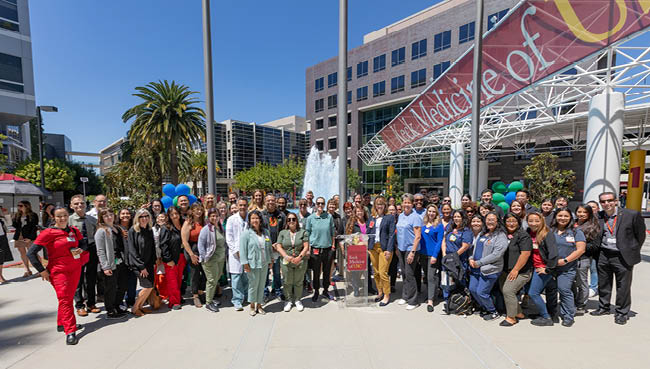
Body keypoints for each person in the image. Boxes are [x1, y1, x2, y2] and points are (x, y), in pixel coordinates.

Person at [27, 206, 86, 345]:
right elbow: (31, 253)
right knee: (65, 299)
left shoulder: (73, 230)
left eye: (65, 215)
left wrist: (80, 249)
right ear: (54, 217)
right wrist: (41, 270)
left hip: (75, 269)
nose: (63, 218)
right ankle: (70, 330)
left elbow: (83, 243)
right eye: (59, 216)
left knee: (67, 298)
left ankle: (62, 324)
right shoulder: (48, 232)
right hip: (58, 271)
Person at [591, 191, 646, 325]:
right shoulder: (598, 216)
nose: (606, 204)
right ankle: (604, 307)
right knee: (603, 283)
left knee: (623, 286)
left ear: (616, 201)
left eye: (609, 200)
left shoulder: (631, 214)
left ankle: (622, 312)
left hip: (622, 255)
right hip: (604, 254)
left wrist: (632, 250)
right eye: (603, 202)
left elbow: (640, 235)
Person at [549, 208, 586, 327]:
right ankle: (551, 312)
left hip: (567, 268)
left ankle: (568, 315)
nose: (562, 218)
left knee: (564, 290)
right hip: (551, 267)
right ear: (555, 217)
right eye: (560, 215)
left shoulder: (576, 232)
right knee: (551, 291)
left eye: (566, 216)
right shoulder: (550, 230)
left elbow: (581, 250)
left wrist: (565, 261)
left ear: (570, 217)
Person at [468, 212, 508, 321]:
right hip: (475, 267)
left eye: (492, 220)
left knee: (482, 292)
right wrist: (471, 258)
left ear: (497, 221)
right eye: (488, 219)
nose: (490, 222)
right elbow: (474, 247)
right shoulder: (482, 233)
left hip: (489, 269)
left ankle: (493, 311)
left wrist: (479, 262)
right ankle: (484, 307)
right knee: (473, 289)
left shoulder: (500, 236)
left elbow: (496, 255)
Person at [68, 195, 99, 317]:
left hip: (91, 249)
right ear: (71, 206)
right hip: (76, 251)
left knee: (91, 278)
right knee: (77, 279)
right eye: (76, 204)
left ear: (85, 205)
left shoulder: (92, 219)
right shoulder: (69, 220)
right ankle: (80, 305)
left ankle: (91, 303)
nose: (79, 206)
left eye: (81, 203)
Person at [499, 213, 533, 326]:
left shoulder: (523, 235)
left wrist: (516, 270)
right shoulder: (503, 234)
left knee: (508, 291)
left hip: (521, 272)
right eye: (508, 221)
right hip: (505, 270)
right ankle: (518, 312)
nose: (511, 223)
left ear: (518, 222)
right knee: (506, 291)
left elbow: (525, 254)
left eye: (514, 221)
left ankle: (511, 318)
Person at [526, 212, 559, 326]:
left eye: (536, 220)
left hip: (542, 268)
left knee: (533, 293)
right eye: (531, 221)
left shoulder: (547, 234)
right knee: (549, 292)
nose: (533, 223)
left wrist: (548, 269)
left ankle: (546, 317)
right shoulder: (528, 233)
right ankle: (545, 313)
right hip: (534, 267)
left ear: (542, 221)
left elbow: (553, 253)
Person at [94, 208, 128, 319]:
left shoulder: (118, 228)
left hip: (121, 261)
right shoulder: (101, 231)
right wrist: (105, 266)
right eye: (105, 216)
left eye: (110, 214)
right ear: (101, 218)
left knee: (122, 286)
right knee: (111, 288)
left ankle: (117, 306)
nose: (109, 217)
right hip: (110, 263)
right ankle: (110, 310)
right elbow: (100, 250)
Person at [275, 212, 310, 312]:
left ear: (297, 221)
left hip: (300, 260)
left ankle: (298, 300)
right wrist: (286, 256)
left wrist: (299, 257)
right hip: (286, 261)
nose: (291, 221)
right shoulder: (282, 233)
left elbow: (306, 246)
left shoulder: (303, 232)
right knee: (287, 281)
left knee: (298, 281)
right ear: (287, 221)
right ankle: (289, 300)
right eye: (289, 219)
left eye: (293, 219)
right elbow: (278, 246)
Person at [240, 210, 273, 316]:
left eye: (257, 218)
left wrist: (271, 259)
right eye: (252, 218)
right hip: (252, 263)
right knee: (253, 285)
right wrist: (245, 263)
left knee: (261, 284)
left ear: (260, 220)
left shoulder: (266, 232)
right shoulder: (246, 234)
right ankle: (252, 306)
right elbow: (242, 250)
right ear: (249, 220)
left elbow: (269, 248)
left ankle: (259, 305)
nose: (255, 220)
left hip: (264, 262)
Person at [126, 209, 157, 317]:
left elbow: (152, 247)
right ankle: (135, 308)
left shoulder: (149, 230)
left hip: (149, 263)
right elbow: (132, 250)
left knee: (150, 285)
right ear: (137, 218)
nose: (144, 218)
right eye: (141, 217)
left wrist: (153, 262)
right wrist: (141, 266)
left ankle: (140, 306)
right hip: (138, 264)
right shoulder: (133, 230)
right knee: (147, 286)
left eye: (146, 216)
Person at [395, 193, 423, 310]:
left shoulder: (415, 217)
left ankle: (413, 300)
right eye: (404, 202)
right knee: (404, 273)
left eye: (409, 202)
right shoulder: (401, 215)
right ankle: (405, 295)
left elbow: (418, 236)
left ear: (412, 204)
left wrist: (412, 252)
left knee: (410, 274)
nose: (406, 204)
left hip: (411, 249)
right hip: (401, 248)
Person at [305, 197, 336, 301]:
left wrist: (333, 245)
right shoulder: (310, 218)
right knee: (316, 272)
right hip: (315, 249)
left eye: (322, 203)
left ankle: (326, 290)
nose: (320, 205)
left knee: (327, 272)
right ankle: (316, 291)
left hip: (327, 249)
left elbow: (332, 232)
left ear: (324, 204)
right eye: (318, 203)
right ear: (315, 204)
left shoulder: (329, 217)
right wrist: (308, 249)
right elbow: (307, 234)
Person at [574, 204, 601, 314]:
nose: (581, 214)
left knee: (582, 282)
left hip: (583, 258)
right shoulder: (572, 223)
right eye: (579, 212)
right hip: (569, 258)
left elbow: (594, 246)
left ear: (589, 214)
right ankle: (573, 301)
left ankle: (581, 304)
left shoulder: (593, 226)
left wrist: (578, 247)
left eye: (584, 212)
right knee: (571, 282)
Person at [198, 208, 226, 313]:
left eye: (216, 215)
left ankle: (210, 298)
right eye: (212, 216)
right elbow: (201, 245)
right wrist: (204, 257)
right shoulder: (206, 229)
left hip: (220, 258)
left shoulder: (219, 227)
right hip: (210, 259)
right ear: (208, 217)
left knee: (216, 279)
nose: (214, 218)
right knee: (211, 280)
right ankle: (208, 303)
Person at [441, 210, 472, 300]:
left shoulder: (466, 231)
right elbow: (444, 240)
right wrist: (444, 254)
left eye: (458, 217)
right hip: (447, 259)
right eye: (454, 217)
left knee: (460, 280)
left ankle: (462, 301)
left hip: (459, 260)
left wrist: (453, 256)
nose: (456, 218)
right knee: (446, 281)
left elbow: (465, 246)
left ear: (463, 218)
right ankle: (447, 300)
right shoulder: (450, 228)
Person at [261, 194, 286, 301]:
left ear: (275, 202)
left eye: (272, 200)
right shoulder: (261, 215)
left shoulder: (281, 215)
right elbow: (259, 231)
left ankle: (277, 291)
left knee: (276, 272)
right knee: (265, 272)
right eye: (268, 200)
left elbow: (284, 231)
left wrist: (278, 244)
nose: (270, 202)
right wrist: (268, 244)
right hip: (265, 248)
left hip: (278, 248)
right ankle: (265, 292)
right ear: (265, 202)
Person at [159, 206, 185, 310]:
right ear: (168, 216)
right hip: (171, 259)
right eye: (172, 214)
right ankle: (174, 302)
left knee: (179, 279)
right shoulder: (166, 228)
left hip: (182, 256)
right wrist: (168, 259)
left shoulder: (183, 224)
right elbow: (163, 245)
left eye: (176, 213)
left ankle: (177, 297)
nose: (174, 216)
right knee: (172, 281)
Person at [226, 197, 249, 310]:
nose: (242, 207)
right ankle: (237, 300)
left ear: (247, 206)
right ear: (237, 206)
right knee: (236, 277)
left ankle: (247, 296)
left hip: (249, 252)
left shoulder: (251, 218)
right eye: (240, 205)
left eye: (244, 205)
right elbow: (229, 238)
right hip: (235, 254)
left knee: (247, 276)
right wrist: (237, 251)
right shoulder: (231, 219)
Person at [181, 202, 207, 307]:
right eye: (196, 209)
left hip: (203, 250)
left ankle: (201, 291)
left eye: (201, 209)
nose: (199, 212)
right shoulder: (188, 223)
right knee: (195, 273)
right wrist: (191, 255)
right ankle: (195, 296)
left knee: (205, 272)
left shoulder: (204, 222)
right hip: (192, 249)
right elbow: (184, 241)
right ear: (192, 211)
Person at [420, 205, 444, 312]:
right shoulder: (423, 224)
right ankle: (433, 294)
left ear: (436, 213)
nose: (431, 213)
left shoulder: (439, 226)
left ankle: (430, 301)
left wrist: (435, 255)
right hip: (422, 254)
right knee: (428, 276)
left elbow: (439, 242)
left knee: (431, 277)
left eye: (433, 211)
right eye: (429, 211)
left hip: (432, 255)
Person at [12, 200, 39, 277]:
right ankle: (27, 270)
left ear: (26, 206)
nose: (19, 207)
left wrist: (30, 238)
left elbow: (34, 227)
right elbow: (15, 226)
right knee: (22, 253)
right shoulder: (17, 215)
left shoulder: (33, 215)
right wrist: (12, 218)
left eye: (21, 206)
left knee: (32, 253)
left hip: (29, 236)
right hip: (19, 235)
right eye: (18, 206)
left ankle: (40, 269)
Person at [116, 209, 136, 307]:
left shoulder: (134, 227)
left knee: (132, 281)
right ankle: (120, 302)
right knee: (121, 282)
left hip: (132, 259)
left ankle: (131, 300)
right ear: (119, 216)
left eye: (128, 213)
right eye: (123, 213)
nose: (125, 215)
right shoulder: (116, 228)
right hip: (121, 259)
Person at [0, 209, 14, 284]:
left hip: (2, 238)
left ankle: (0, 275)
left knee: (1, 257)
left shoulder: (1, 218)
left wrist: (6, 214)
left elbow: (9, 223)